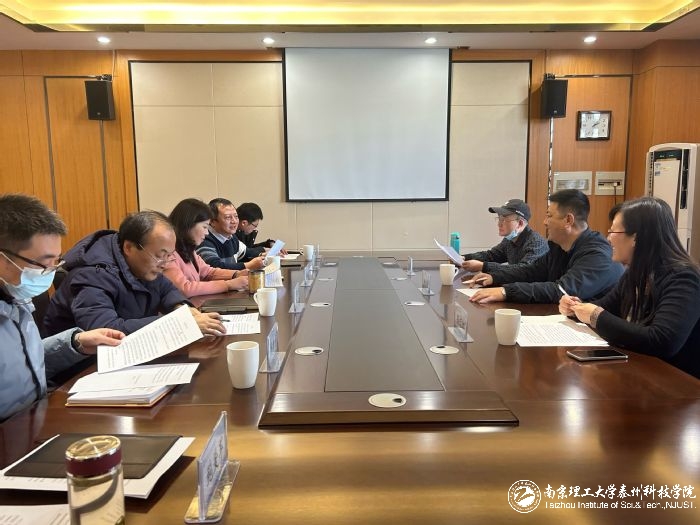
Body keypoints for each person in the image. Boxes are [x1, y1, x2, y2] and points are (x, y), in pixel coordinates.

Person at [0, 194, 124, 421]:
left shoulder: (15, 296)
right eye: (43, 263)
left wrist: (75, 343)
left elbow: (21, 364)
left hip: (35, 422)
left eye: (56, 262)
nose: (50, 272)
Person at [560, 197, 700, 378]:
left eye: (613, 231)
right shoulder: (635, 273)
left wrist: (595, 315)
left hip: (678, 383)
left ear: (636, 237)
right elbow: (605, 307)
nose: (608, 238)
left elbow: (663, 341)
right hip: (642, 372)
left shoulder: (683, 277)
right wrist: (575, 307)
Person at [44, 210, 226, 336]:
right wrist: (178, 323)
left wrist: (184, 310)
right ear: (129, 247)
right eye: (160, 256)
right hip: (78, 370)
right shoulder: (93, 273)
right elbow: (106, 330)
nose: (164, 264)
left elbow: (166, 290)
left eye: (169, 256)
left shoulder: (143, 264)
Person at [469, 189, 624, 304]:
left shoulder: (598, 255)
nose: (544, 222)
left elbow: (561, 290)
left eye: (549, 216)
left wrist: (505, 292)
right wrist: (495, 277)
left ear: (568, 220)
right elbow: (531, 271)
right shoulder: (559, 246)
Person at [164, 198, 249, 298]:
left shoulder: (188, 249)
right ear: (188, 225)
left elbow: (208, 272)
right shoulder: (168, 253)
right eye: (204, 227)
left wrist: (236, 274)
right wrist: (228, 285)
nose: (207, 232)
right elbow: (184, 288)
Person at [461, 198, 548, 272]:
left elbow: (523, 271)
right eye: (499, 219)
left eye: (504, 220)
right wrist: (464, 258)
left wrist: (484, 266)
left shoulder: (536, 243)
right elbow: (491, 255)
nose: (499, 224)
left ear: (520, 223)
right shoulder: (510, 239)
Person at [196, 198, 265, 271]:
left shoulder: (231, 236)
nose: (234, 221)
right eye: (228, 217)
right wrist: (248, 265)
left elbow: (246, 252)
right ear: (212, 221)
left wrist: (263, 255)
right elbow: (215, 267)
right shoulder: (204, 239)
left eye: (236, 216)